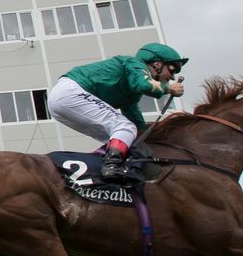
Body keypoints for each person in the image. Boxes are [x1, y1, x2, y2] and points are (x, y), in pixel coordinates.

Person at [47, 43, 187, 182]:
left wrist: (148, 138)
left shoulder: (131, 90)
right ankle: (111, 167)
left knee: (122, 137)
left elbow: (135, 119)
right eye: (172, 69)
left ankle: (106, 170)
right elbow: (144, 85)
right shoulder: (135, 64)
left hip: (61, 102)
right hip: (70, 93)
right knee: (125, 128)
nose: (172, 77)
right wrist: (169, 89)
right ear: (157, 64)